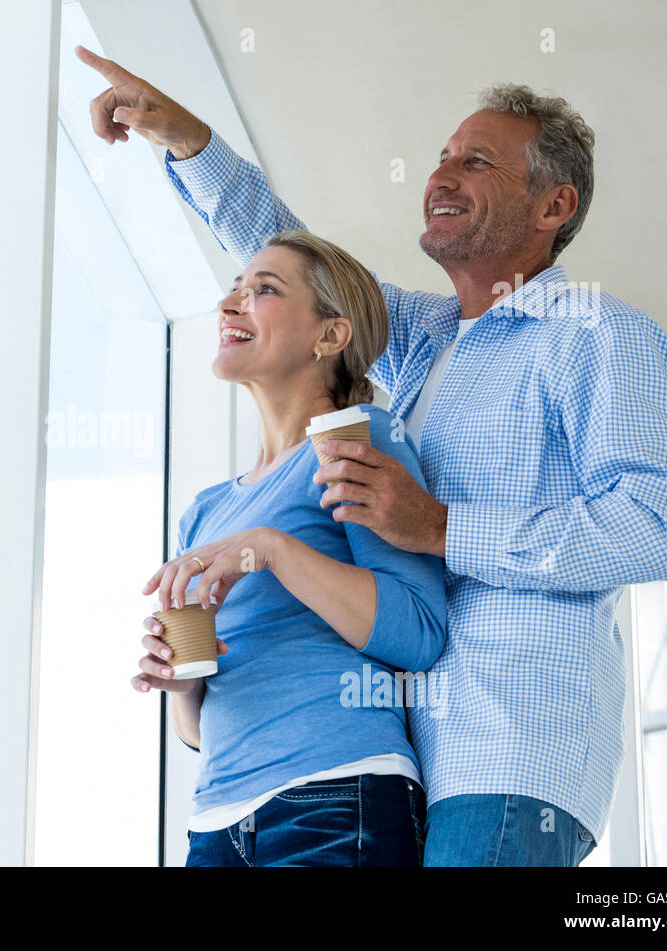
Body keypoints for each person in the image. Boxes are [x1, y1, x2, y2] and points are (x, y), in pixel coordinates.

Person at [81, 45, 667, 866]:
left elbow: (661, 528)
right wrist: (189, 142)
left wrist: (444, 527)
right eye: (443, 156)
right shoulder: (428, 344)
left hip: (509, 750)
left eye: (475, 162)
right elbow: (301, 274)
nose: (440, 175)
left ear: (554, 205)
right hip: (403, 754)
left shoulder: (596, 333)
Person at [134, 228, 447, 866]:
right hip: (217, 821)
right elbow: (195, 731)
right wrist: (180, 678)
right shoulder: (205, 513)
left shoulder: (354, 441)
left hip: (336, 794)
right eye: (232, 291)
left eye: (263, 291)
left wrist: (271, 548)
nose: (230, 306)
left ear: (329, 336)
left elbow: (418, 631)